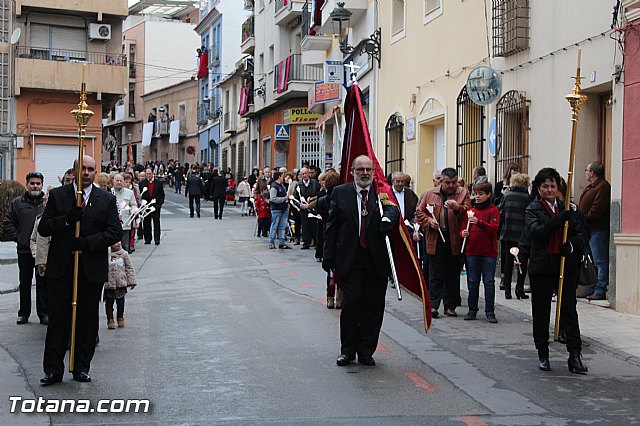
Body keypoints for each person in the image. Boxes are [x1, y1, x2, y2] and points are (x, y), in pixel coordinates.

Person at [38, 155, 122, 385]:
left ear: (96, 172)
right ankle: (53, 369)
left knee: (86, 322)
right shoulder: (58, 195)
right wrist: (66, 220)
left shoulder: (105, 199)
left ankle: (81, 367)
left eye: (90, 169)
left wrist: (88, 242)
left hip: (90, 270)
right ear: (75, 170)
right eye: (82, 168)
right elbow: (44, 228)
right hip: (61, 269)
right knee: (58, 320)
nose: (86, 173)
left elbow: (115, 231)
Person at [323, 155, 399, 367]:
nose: (365, 173)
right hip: (351, 258)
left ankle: (366, 351)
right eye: (360, 169)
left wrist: (387, 219)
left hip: (376, 260)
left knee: (373, 307)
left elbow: (393, 209)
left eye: (368, 169)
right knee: (352, 303)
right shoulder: (341, 192)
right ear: (352, 172)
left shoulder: (381, 191)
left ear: (373, 172)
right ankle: (347, 351)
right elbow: (332, 226)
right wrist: (328, 256)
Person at [525, 167, 589, 374]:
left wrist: (570, 245)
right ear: (538, 188)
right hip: (542, 267)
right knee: (541, 311)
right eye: (545, 186)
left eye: (553, 186)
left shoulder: (568, 207)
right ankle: (543, 353)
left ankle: (575, 355)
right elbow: (538, 233)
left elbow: (583, 233)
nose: (549, 189)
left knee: (569, 311)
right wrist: (559, 220)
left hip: (565, 265)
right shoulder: (532, 209)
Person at [416, 167, 471, 318]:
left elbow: (469, 212)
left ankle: (450, 306)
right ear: (441, 181)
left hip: (455, 239)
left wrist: (457, 208)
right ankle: (433, 305)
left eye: (454, 182)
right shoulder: (429, 194)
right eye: (448, 182)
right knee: (436, 273)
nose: (451, 185)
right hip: (436, 238)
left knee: (453, 273)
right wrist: (428, 222)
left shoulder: (463, 193)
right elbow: (419, 212)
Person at [3, 171, 47, 325]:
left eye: (38, 183)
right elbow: (8, 222)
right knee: (25, 282)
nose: (35, 186)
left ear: (42, 185)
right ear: (27, 184)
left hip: (42, 251)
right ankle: (24, 313)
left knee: (43, 282)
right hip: (24, 250)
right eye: (32, 183)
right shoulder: (17, 203)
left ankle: (44, 313)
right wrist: (19, 237)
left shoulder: (47, 203)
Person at [461, 181, 500, 323]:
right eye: (475, 193)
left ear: (488, 194)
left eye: (480, 194)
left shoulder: (493, 210)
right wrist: (463, 233)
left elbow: (494, 229)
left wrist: (479, 222)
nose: (477, 196)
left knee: (489, 282)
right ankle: (472, 310)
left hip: (488, 252)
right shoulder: (470, 211)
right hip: (472, 251)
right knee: (472, 281)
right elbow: (463, 227)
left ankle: (490, 311)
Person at [578, 161, 611, 301]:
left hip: (597, 229)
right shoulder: (592, 186)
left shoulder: (602, 187)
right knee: (593, 261)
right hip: (590, 229)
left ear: (592, 173)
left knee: (599, 261)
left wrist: (585, 218)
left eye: (586, 170)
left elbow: (597, 208)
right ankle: (594, 286)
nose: (585, 172)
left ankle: (600, 288)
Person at [498, 173, 531, 299]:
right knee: (521, 261)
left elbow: (500, 210)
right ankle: (519, 289)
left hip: (508, 232)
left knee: (508, 261)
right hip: (522, 234)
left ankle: (507, 290)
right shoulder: (528, 198)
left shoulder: (507, 196)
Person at [315, 170, 341, 308]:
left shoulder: (321, 200)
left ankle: (330, 297)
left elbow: (322, 217)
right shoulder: (342, 199)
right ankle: (340, 297)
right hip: (341, 236)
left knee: (330, 268)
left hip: (327, 235)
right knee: (342, 267)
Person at [104, 241, 137, 329]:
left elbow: (129, 268)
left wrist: (131, 281)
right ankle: (110, 319)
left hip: (120, 282)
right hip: (109, 283)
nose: (118, 243)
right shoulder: (107, 254)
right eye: (115, 242)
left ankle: (120, 317)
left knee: (121, 302)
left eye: (119, 241)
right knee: (109, 303)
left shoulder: (124, 254)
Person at [139, 168, 165, 245]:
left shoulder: (158, 183)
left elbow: (162, 195)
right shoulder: (142, 183)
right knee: (146, 222)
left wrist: (159, 205)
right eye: (147, 174)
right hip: (146, 205)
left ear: (152, 174)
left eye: (150, 174)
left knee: (156, 221)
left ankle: (157, 239)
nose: (148, 175)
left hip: (156, 205)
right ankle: (147, 238)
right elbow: (141, 195)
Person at [298, 167, 320, 249]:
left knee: (314, 225)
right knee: (305, 225)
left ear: (309, 174)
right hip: (303, 209)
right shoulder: (299, 184)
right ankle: (306, 242)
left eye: (306, 173)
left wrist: (312, 199)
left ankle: (315, 242)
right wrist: (299, 205)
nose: (305, 175)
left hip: (313, 208)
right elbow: (296, 196)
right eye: (303, 174)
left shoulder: (315, 183)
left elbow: (319, 194)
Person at [112, 174, 135, 253]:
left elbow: (133, 205)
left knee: (125, 247)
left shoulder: (129, 193)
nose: (119, 182)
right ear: (113, 181)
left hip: (125, 224)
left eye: (120, 181)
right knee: (114, 247)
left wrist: (134, 211)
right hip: (113, 226)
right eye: (117, 181)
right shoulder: (109, 192)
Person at [268, 171, 292, 249]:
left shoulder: (282, 186)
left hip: (284, 209)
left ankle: (282, 242)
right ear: (279, 177)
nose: (283, 178)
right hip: (276, 209)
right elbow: (273, 198)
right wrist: (284, 199)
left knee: (282, 226)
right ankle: (271, 242)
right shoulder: (274, 186)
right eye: (282, 176)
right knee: (274, 226)